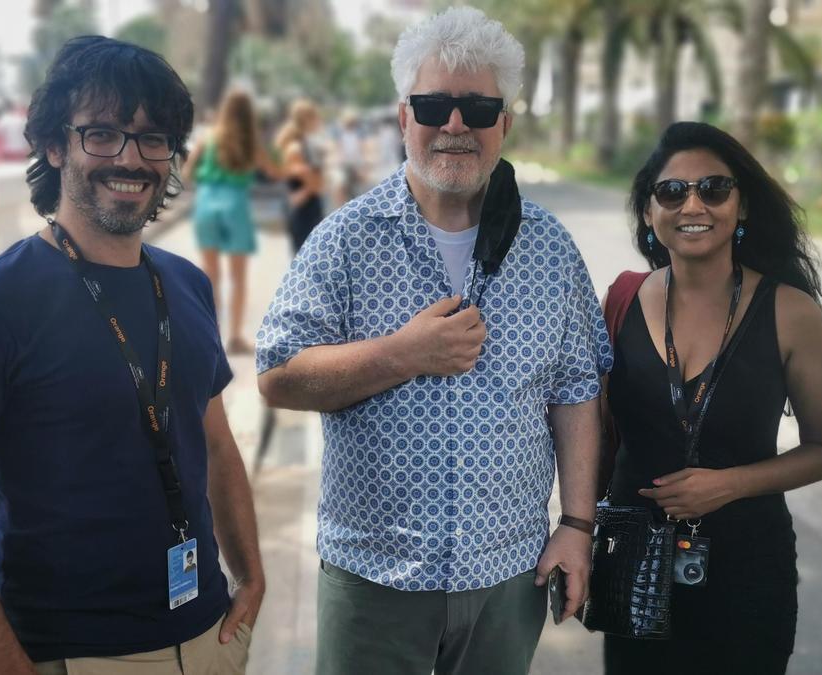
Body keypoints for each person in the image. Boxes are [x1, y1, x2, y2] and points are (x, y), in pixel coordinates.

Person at [256, 7, 612, 674]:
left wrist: (577, 524)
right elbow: (278, 373)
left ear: (503, 123)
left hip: (508, 574)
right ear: (403, 119)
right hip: (373, 575)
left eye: (478, 108)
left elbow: (575, 387)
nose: (455, 124)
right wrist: (403, 354)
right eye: (434, 104)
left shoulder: (550, 248)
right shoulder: (345, 240)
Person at [0, 36, 264, 675]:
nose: (130, 157)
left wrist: (252, 575)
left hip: (211, 635)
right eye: (102, 133)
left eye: (153, 138)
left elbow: (216, 444)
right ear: (54, 144)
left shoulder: (184, 283)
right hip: (78, 654)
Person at [601, 121, 822, 674]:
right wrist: (574, 528)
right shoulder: (619, 301)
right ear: (648, 211)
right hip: (634, 563)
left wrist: (728, 485)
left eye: (714, 189)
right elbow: (591, 430)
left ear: (742, 207)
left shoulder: (791, 314)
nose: (694, 204)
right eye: (672, 191)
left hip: (748, 571)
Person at [182, 90, 278, 355]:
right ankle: (234, 337)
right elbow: (272, 171)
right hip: (236, 203)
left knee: (211, 276)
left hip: (207, 200)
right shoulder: (251, 142)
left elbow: (187, 172)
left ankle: (209, 335)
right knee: (238, 277)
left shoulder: (208, 136)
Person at [274, 98, 324, 254]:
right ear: (307, 119)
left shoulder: (304, 144)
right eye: (315, 117)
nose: (319, 121)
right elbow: (315, 184)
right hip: (303, 212)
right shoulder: (296, 148)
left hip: (308, 208)